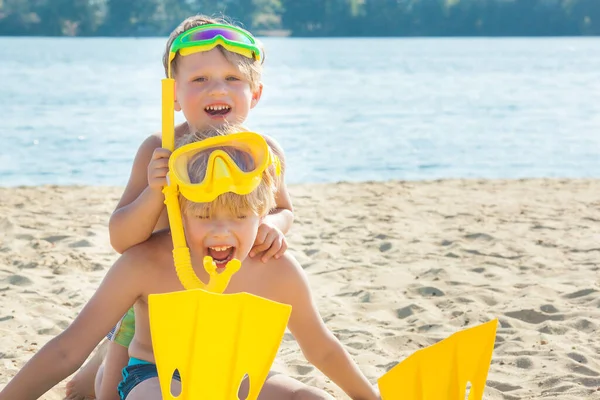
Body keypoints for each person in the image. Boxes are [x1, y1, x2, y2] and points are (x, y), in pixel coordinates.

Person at [0, 128, 380, 400]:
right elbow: (68, 348)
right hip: (155, 379)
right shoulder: (144, 263)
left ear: (263, 213)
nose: (220, 232)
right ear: (177, 213)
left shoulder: (276, 268)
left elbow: (323, 349)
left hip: (239, 383)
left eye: (238, 217)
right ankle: (106, 364)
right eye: (203, 217)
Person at [66, 15, 294, 400]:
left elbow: (284, 208)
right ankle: (99, 370)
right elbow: (122, 239)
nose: (216, 89)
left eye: (232, 79)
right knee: (111, 381)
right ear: (172, 95)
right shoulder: (160, 148)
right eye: (200, 79)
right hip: (153, 291)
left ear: (255, 93)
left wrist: (275, 225)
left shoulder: (263, 153)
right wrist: (154, 192)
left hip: (219, 280)